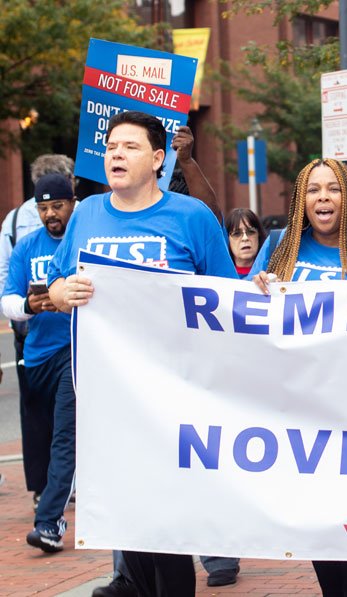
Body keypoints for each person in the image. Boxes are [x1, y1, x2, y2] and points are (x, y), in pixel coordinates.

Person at [48, 110, 237, 597]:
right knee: (130, 513)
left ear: (158, 159)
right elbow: (56, 281)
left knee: (167, 519)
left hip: (175, 391)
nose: (116, 154)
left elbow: (226, 296)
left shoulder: (191, 217)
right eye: (111, 146)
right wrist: (60, 292)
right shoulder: (87, 212)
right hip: (107, 393)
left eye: (130, 147)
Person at [251, 158, 347, 596]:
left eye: (333, 188)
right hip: (302, 418)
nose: (323, 198)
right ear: (300, 200)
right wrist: (255, 289)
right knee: (320, 532)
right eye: (313, 190)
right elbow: (247, 325)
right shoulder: (278, 254)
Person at [1, 173, 76, 552]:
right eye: (43, 208)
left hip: (75, 354)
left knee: (65, 438)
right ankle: (51, 500)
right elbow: (7, 301)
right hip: (36, 356)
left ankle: (48, 524)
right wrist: (29, 306)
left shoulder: (84, 242)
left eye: (57, 206)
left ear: (72, 202)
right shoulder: (26, 247)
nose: (51, 214)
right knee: (44, 438)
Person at [225, 208, 266, 280]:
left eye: (251, 232)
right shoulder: (218, 277)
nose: (245, 238)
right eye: (236, 233)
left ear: (259, 236)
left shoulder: (274, 273)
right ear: (227, 239)